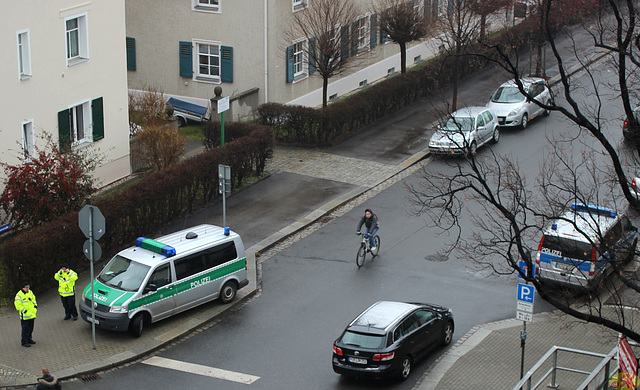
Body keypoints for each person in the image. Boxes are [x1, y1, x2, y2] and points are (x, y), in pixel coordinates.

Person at [14, 282, 37, 347]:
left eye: (28, 287)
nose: (28, 289)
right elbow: (17, 305)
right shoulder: (19, 295)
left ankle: (29, 339)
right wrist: (24, 310)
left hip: (32, 315)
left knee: (31, 328)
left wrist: (35, 306)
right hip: (25, 316)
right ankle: (24, 341)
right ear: (23, 288)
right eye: (26, 287)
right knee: (25, 329)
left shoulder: (30, 292)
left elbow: (34, 299)